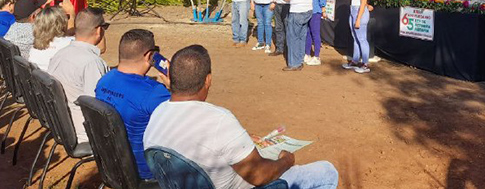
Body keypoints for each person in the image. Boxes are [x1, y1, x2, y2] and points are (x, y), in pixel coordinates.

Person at [143, 45, 339, 189]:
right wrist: (286, 161)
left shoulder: (157, 115)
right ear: (208, 80)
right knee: (327, 171)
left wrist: (242, 138)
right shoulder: (219, 120)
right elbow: (259, 176)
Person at [96, 29, 170, 180]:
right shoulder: (154, 93)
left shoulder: (104, 80)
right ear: (150, 56)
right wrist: (174, 87)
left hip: (113, 166)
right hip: (146, 172)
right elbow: (188, 119)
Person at [48, 7, 109, 144]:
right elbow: (98, 107)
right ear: (99, 30)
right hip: (84, 134)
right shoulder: (92, 63)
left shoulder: (60, 54)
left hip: (62, 125)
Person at [283, 0, 312, 71]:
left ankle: (294, 63)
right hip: (307, 10)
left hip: (297, 10)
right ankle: (299, 60)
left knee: (292, 37)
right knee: (301, 36)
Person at [28, 5, 74, 71]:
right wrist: (72, 16)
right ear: (61, 23)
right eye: (67, 18)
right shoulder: (70, 44)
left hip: (40, 79)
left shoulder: (34, 47)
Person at [343, 0, 371, 74]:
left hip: (359, 13)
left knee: (362, 39)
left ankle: (365, 64)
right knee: (356, 38)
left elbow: (363, 3)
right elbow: (361, 1)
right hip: (354, 11)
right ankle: (355, 60)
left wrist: (358, 19)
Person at [303, 0, 326, 66]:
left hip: (315, 10)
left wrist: (323, 8)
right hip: (310, 9)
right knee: (308, 32)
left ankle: (316, 56)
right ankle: (307, 54)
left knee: (315, 33)